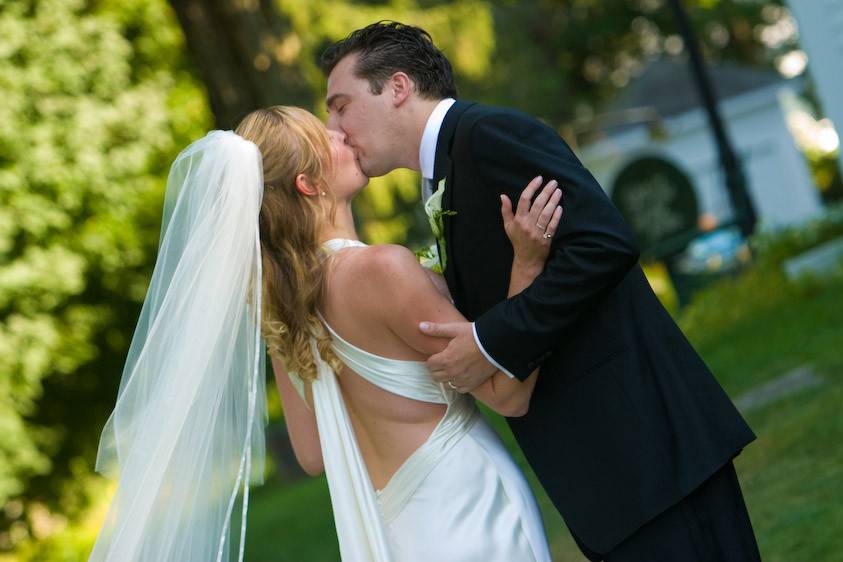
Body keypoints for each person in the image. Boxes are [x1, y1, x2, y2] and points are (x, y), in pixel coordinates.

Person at [321, 20, 762, 562]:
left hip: (649, 450)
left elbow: (604, 242)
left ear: (397, 87)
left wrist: (490, 340)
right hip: (612, 469)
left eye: (340, 106)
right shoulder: (447, 171)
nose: (335, 129)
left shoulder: (489, 135)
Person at [89, 106, 558, 561]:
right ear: (309, 184)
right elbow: (508, 394)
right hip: (469, 510)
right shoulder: (382, 270)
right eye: (325, 136)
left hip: (397, 532)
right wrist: (527, 266)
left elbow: (312, 454)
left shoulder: (279, 307)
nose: (342, 133)